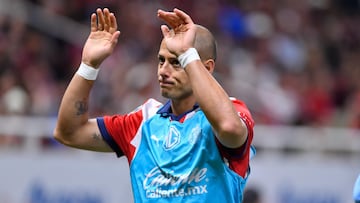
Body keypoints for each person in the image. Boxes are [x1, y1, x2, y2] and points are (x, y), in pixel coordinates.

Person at [54, 7, 255, 203]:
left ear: (206, 67)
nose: (163, 71)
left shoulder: (231, 111)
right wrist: (88, 66)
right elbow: (69, 132)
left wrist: (187, 54)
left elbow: (228, 127)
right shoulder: (141, 123)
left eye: (176, 62)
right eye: (161, 61)